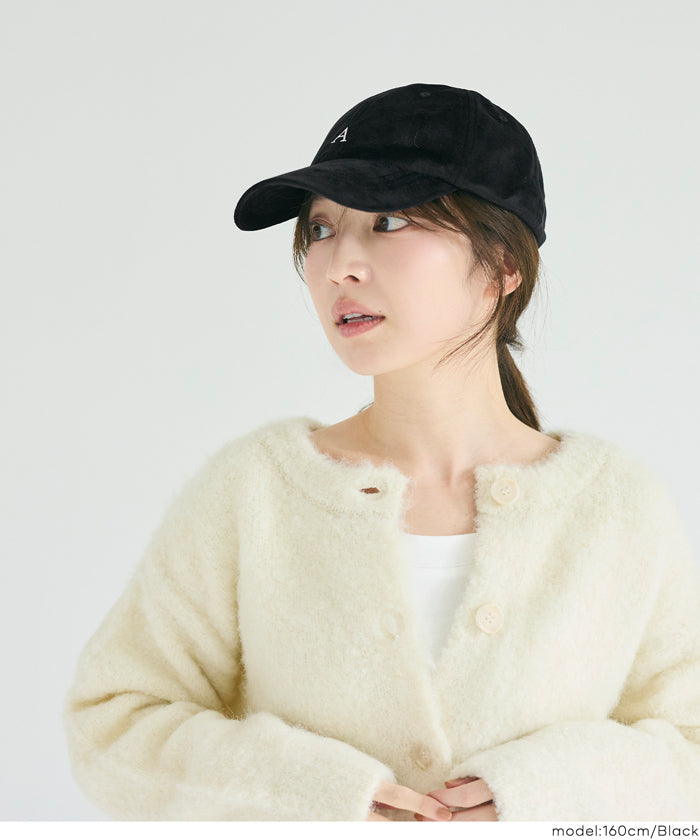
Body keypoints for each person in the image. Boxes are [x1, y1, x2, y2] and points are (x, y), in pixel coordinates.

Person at [62, 83, 700, 822]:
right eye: (321, 228)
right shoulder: (256, 491)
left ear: (503, 265)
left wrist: (542, 796)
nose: (339, 265)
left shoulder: (616, 506)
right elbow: (113, 721)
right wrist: (309, 798)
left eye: (388, 221)